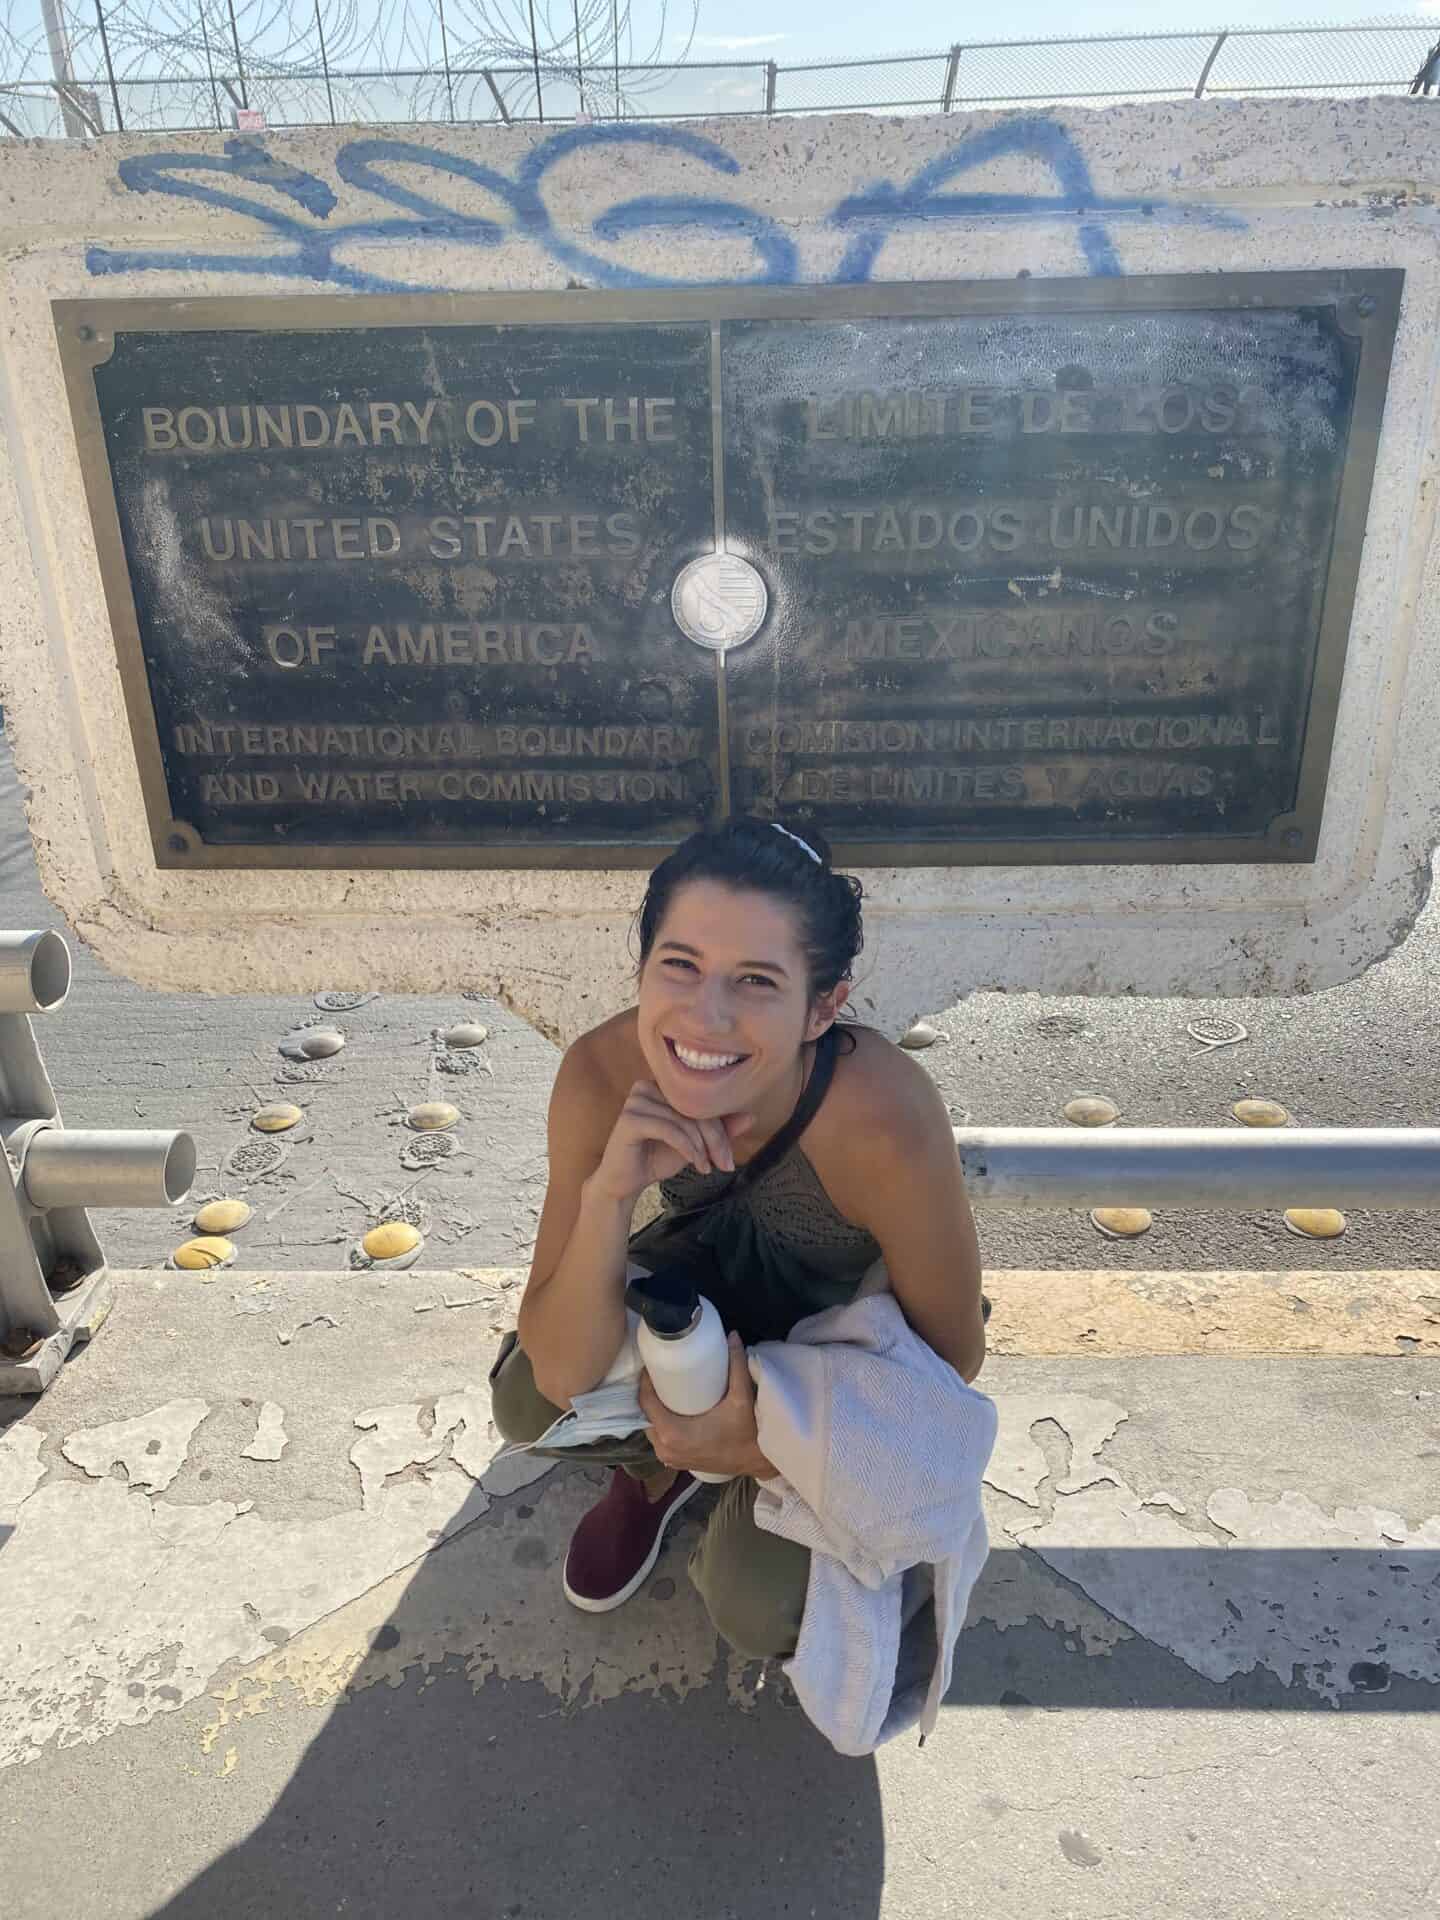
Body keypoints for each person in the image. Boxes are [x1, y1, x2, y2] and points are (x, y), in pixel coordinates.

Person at [490, 815, 987, 1661]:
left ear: (821, 1006)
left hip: (829, 1345)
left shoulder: (882, 1117)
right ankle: (658, 1471)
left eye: (757, 981)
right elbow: (564, 1369)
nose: (707, 1018)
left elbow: (954, 1358)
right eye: (679, 965)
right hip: (702, 1297)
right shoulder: (603, 1073)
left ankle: (740, 1481)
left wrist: (762, 1444)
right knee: (525, 1398)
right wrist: (611, 1192)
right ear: (642, 968)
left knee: (759, 1605)